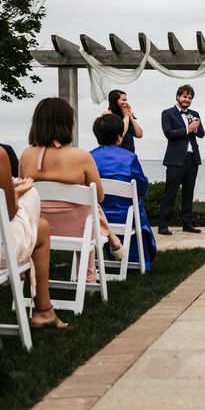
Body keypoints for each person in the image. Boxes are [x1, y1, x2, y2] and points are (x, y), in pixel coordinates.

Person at [19, 97, 125, 283]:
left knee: (86, 211)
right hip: (77, 231)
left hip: (36, 229)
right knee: (90, 209)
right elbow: (99, 197)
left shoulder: (26, 155)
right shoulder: (81, 156)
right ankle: (89, 276)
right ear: (67, 124)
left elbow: (22, 193)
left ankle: (30, 274)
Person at [0, 147, 67, 328]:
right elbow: (9, 213)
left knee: (41, 226)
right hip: (3, 252)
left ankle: (44, 311)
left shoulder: (27, 154)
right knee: (35, 205)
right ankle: (44, 311)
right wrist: (16, 193)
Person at [90, 114, 157, 270]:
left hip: (96, 217)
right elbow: (142, 187)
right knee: (136, 207)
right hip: (124, 217)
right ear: (120, 136)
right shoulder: (130, 157)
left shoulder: (89, 157)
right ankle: (138, 258)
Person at [157, 84, 205, 236]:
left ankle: (187, 224)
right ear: (178, 97)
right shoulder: (167, 113)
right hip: (175, 160)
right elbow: (168, 133)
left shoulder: (194, 113)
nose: (187, 100)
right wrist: (187, 130)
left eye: (190, 98)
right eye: (184, 97)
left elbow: (202, 134)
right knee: (170, 193)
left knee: (188, 193)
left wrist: (195, 128)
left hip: (192, 159)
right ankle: (163, 225)